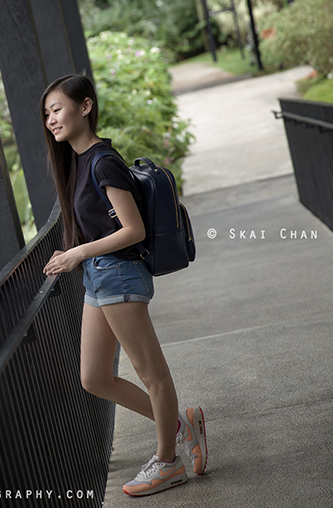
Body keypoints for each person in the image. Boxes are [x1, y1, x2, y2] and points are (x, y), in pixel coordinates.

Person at [40, 74, 207, 497]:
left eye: (57, 109)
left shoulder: (102, 161)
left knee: (152, 373)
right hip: (99, 275)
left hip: (118, 272)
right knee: (94, 377)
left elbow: (133, 229)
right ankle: (181, 423)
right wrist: (82, 256)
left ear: (86, 107)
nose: (51, 120)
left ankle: (168, 462)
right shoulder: (77, 161)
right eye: (46, 114)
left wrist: (77, 253)